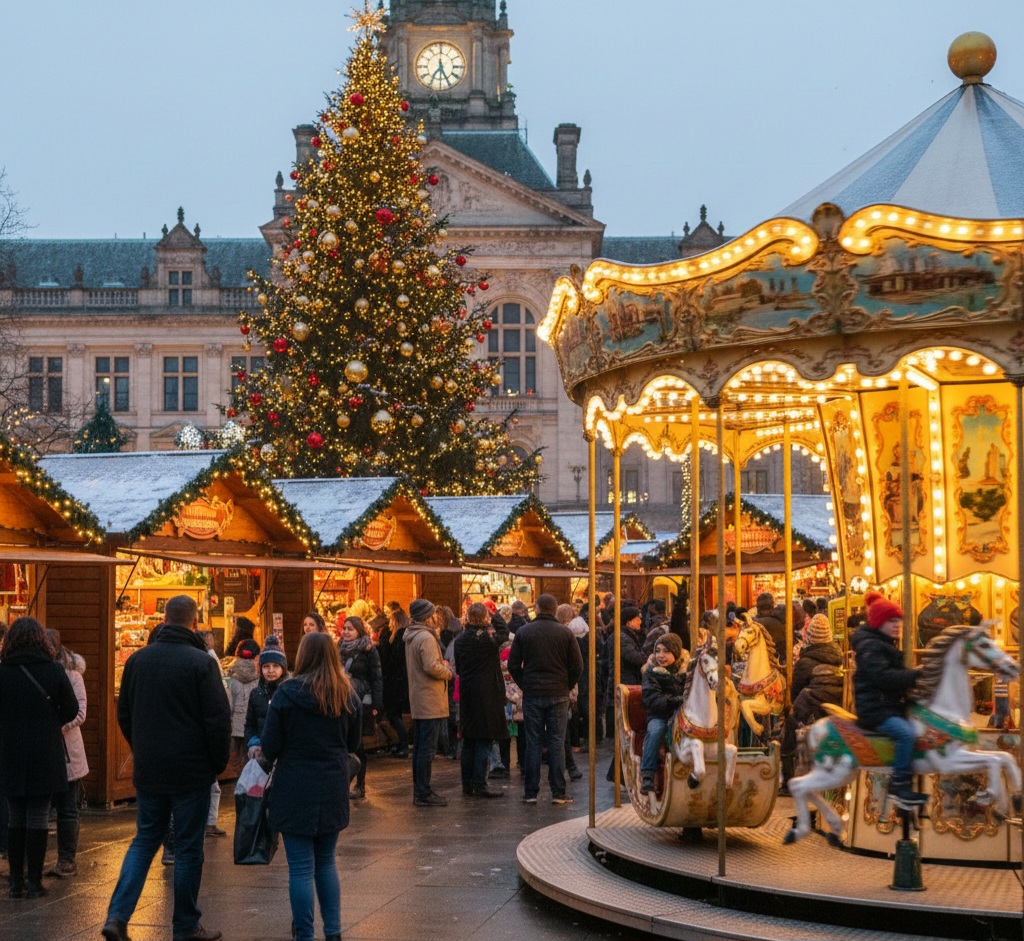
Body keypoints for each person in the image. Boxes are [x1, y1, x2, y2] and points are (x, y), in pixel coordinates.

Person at [102, 595, 230, 941]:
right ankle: (185, 925)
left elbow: (124, 714)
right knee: (188, 848)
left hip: (150, 769)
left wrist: (142, 748)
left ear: (163, 617)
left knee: (144, 841)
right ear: (196, 622)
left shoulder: (138, 661)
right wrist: (216, 763)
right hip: (191, 771)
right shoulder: (202, 664)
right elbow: (218, 720)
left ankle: (117, 915)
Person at [262, 632, 361, 941]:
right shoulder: (346, 694)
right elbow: (354, 744)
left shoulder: (286, 694)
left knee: (301, 868)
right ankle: (333, 932)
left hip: (294, 785)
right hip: (332, 784)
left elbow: (270, 745)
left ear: (302, 656)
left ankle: (304, 935)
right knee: (327, 862)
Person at [0, 617, 78, 899]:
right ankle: (34, 881)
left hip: (9, 751)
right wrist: (47, 720)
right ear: (40, 640)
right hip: (45, 750)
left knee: (15, 814)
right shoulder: (54, 671)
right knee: (38, 815)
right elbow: (71, 710)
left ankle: (14, 883)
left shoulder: (3, 673)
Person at [507, 594, 583, 805]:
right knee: (557, 742)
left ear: (538, 609)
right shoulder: (565, 633)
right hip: (558, 693)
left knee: (533, 742)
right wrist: (566, 685)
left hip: (532, 694)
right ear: (555, 609)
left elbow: (513, 665)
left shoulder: (523, 632)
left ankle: (531, 792)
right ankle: (558, 791)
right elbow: (578, 665)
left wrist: (525, 684)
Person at [851, 591, 926, 806]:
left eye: (898, 621)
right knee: (906, 734)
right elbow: (882, 677)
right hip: (875, 708)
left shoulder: (882, 643)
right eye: (891, 621)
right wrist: (914, 675)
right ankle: (900, 784)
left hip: (887, 704)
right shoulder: (870, 646)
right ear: (878, 622)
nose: (897, 625)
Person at [45, 629, 89, 878]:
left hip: (66, 751)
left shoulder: (72, 675)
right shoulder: (40, 673)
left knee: (67, 806)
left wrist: (54, 728)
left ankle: (67, 859)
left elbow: (80, 712)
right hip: (46, 749)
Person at [454, 603, 508, 798]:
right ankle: (480, 783)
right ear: (485, 617)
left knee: (469, 739)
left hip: (468, 691)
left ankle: (467, 784)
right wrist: (493, 614)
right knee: (484, 738)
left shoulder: (460, 640)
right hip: (487, 693)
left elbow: (459, 667)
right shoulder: (488, 640)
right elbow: (504, 630)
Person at [404, 598, 453, 806]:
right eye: (433, 613)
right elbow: (432, 666)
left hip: (419, 696)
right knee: (427, 748)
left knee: (420, 747)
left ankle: (420, 790)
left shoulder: (412, 636)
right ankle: (423, 792)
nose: (437, 617)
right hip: (429, 698)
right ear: (426, 616)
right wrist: (448, 671)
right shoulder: (426, 637)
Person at [338, 615, 382, 800]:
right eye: (345, 628)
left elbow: (376, 678)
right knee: (343, 742)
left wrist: (376, 705)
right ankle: (343, 784)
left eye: (350, 629)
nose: (346, 632)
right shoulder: (337, 648)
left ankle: (360, 784)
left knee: (358, 745)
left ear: (359, 631)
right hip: (340, 699)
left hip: (361, 701)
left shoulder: (369, 650)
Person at [639, 633, 687, 794]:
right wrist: (675, 700)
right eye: (658, 651)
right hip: (659, 713)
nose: (661, 655)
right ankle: (647, 773)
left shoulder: (685, 673)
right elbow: (652, 698)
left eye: (666, 651)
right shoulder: (651, 672)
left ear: (675, 652)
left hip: (683, 713)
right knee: (656, 730)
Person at [243, 634, 289, 764]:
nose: (271, 670)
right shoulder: (255, 694)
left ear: (283, 668)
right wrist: (253, 743)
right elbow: (250, 725)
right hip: (260, 755)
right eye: (266, 666)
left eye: (275, 666)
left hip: (283, 757)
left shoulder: (289, 693)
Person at [378, 601, 411, 757]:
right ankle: (401, 744)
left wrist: (382, 644)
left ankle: (403, 744)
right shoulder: (404, 636)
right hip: (400, 680)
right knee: (395, 713)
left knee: (393, 713)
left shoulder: (398, 637)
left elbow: (391, 660)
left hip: (395, 681)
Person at [227, 643, 259, 771]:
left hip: (237, 728)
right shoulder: (259, 677)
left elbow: (230, 705)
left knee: (239, 764)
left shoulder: (231, 679)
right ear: (256, 657)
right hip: (255, 728)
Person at [754, 592, 787, 662]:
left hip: (758, 662)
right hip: (778, 661)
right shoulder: (780, 621)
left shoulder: (754, 624)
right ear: (772, 605)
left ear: (758, 607)